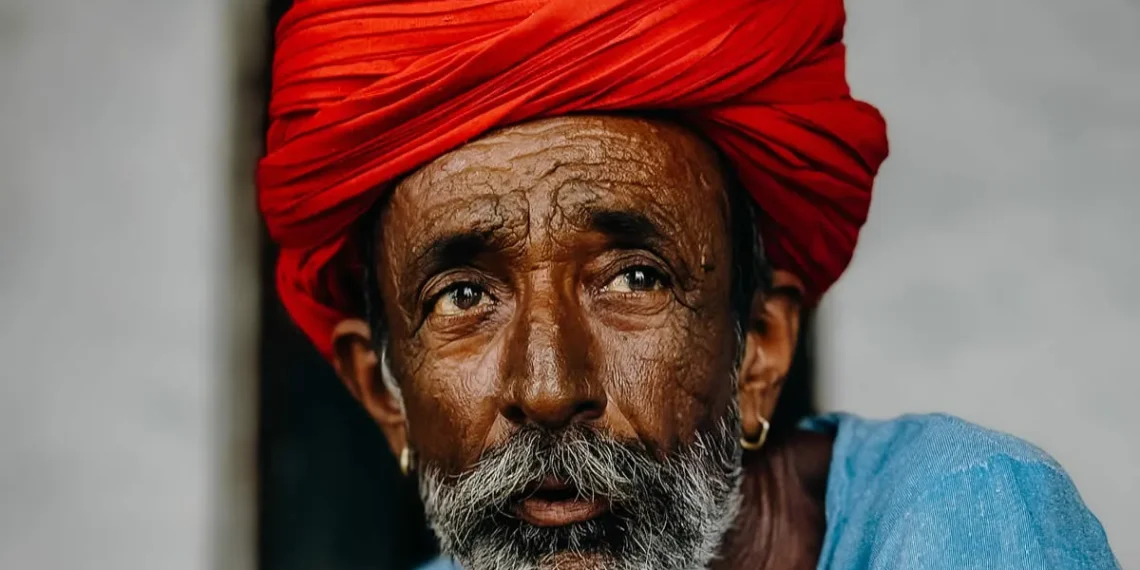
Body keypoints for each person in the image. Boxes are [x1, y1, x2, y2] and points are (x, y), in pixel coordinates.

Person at [257, 1, 1120, 569]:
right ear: (382, 390)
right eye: (463, 298)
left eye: (635, 278)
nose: (551, 388)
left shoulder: (966, 518)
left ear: (760, 352)